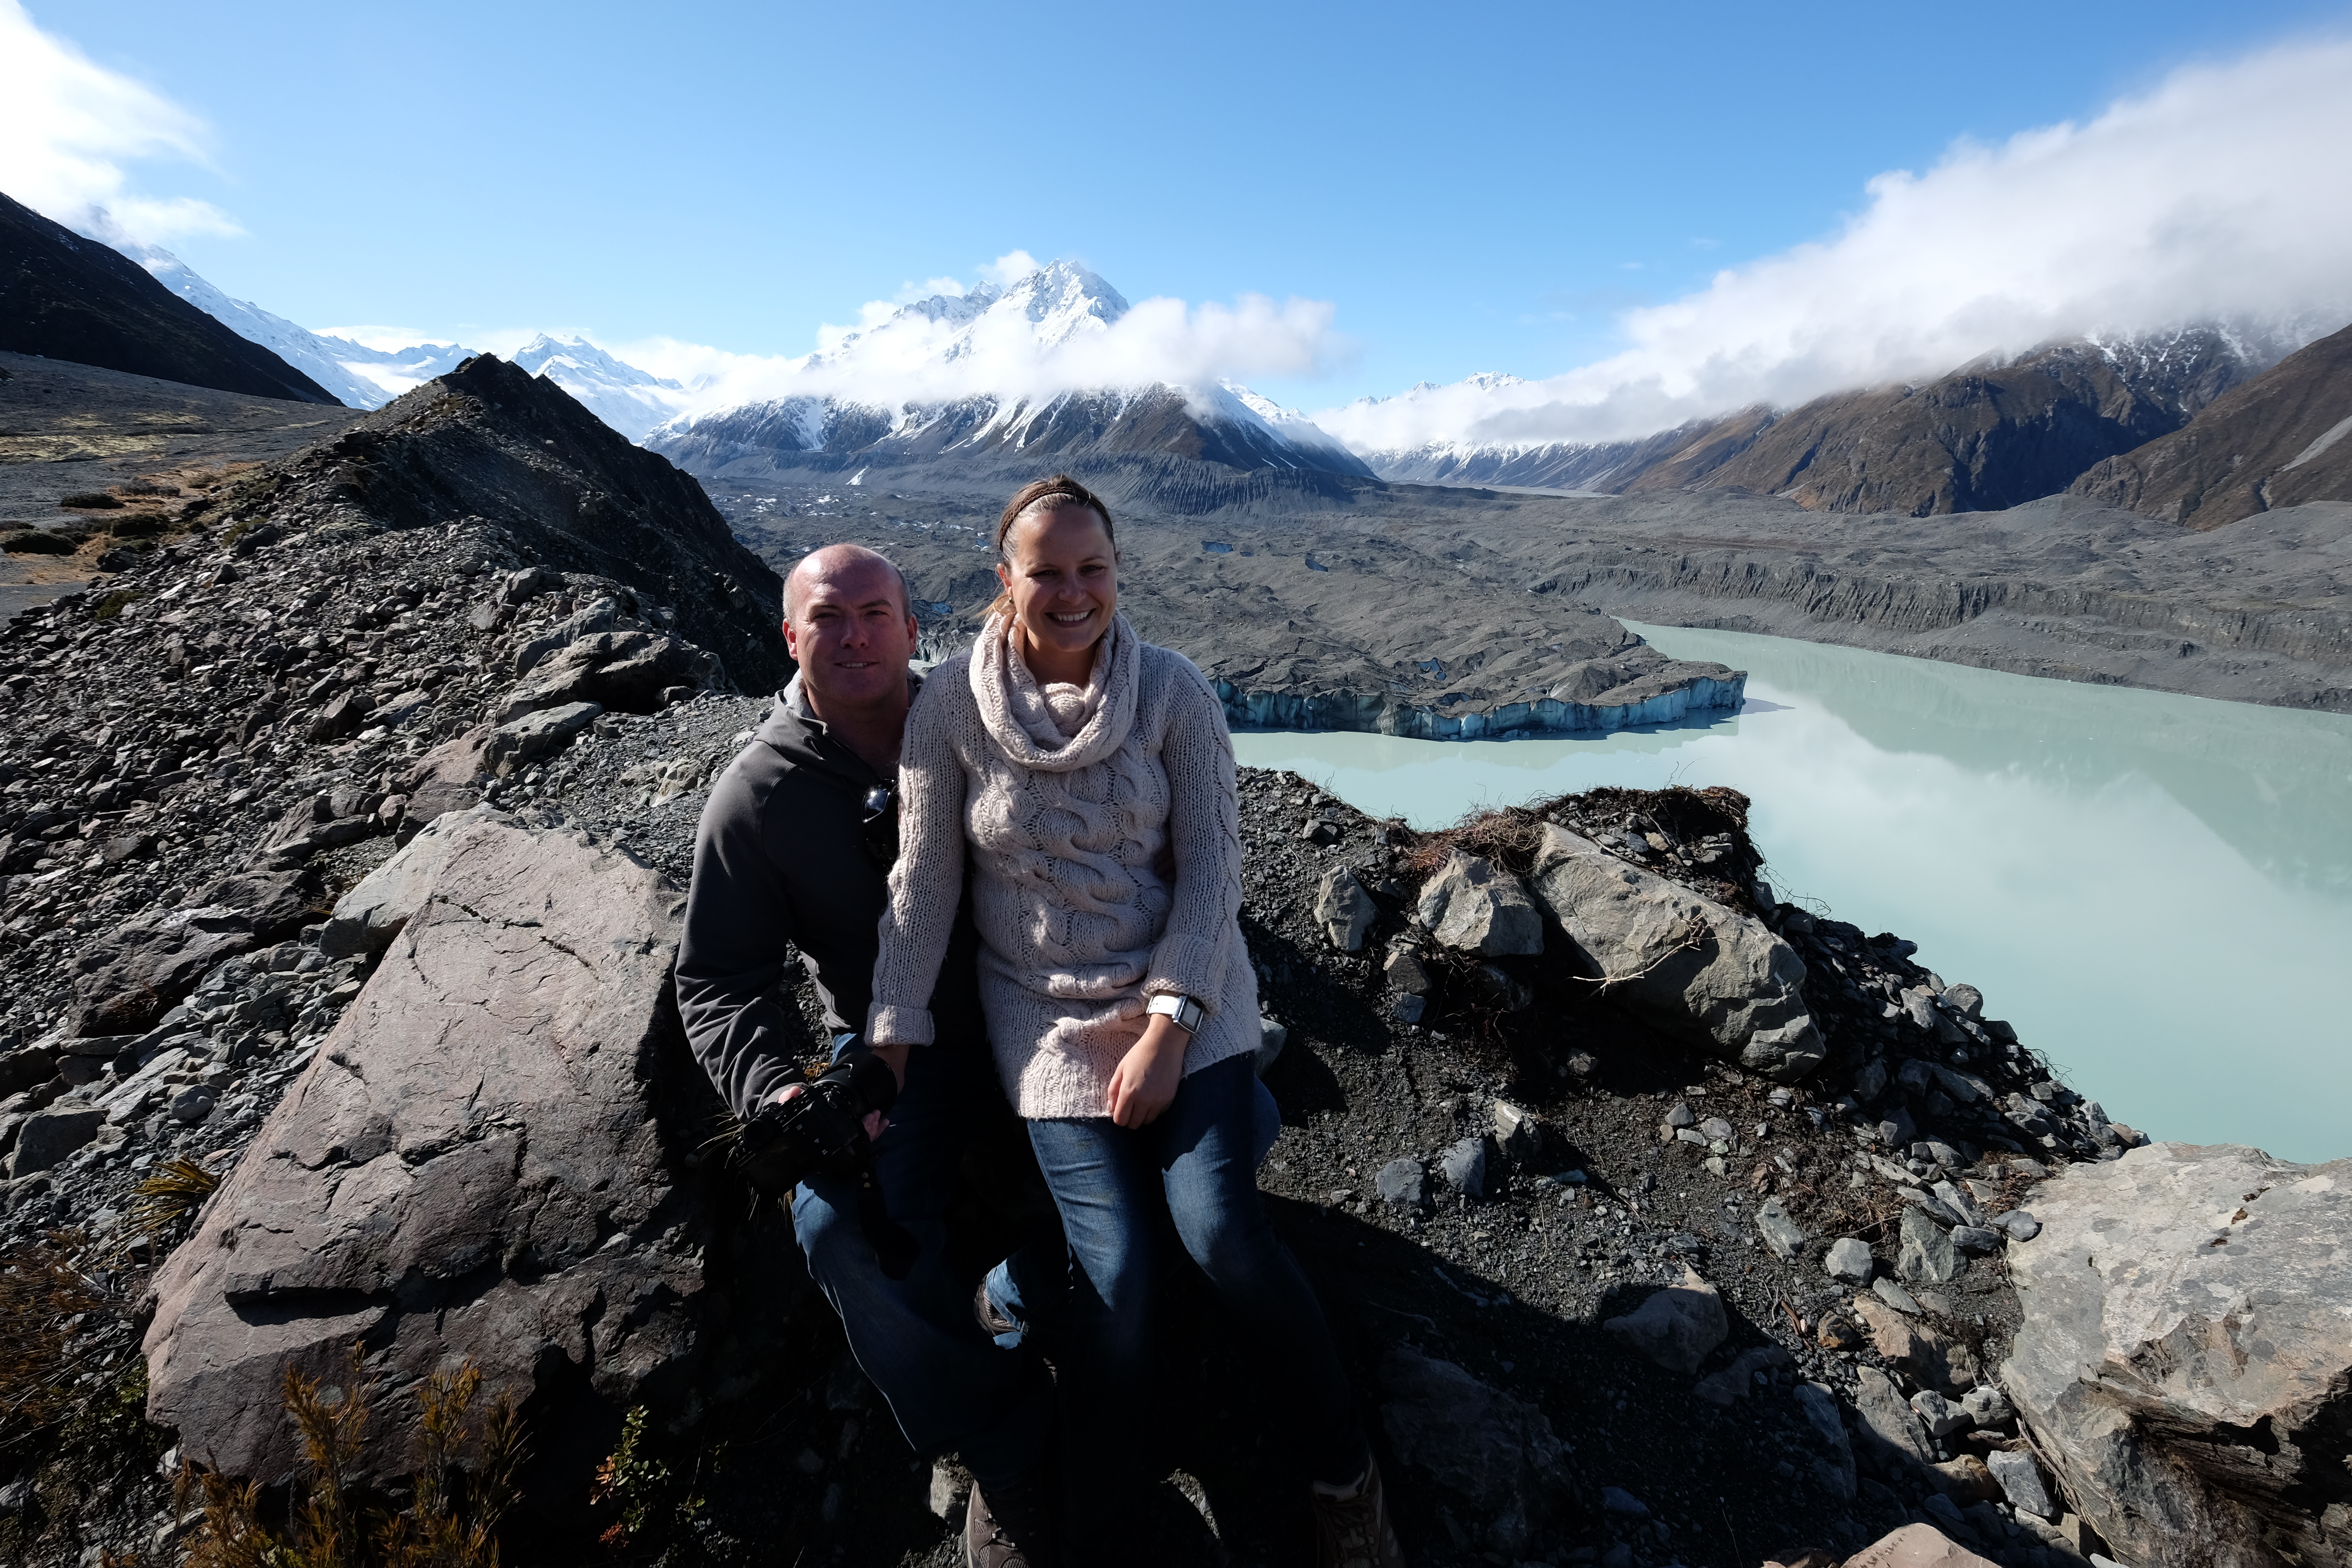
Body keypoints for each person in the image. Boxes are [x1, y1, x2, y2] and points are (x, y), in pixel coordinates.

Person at [866, 477, 1407, 1568]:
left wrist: (1167, 1027)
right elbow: (922, 885)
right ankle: (1101, 1525)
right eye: (1047, 571)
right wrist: (892, 1033)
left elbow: (1213, 875)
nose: (1073, 592)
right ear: (1004, 581)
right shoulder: (949, 710)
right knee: (1115, 1276)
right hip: (1047, 1021)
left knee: (1220, 1233)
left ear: (1118, 572)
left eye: (1092, 568)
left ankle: (1346, 1478)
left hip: (1189, 998)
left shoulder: (1174, 693)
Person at [675, 543, 1057, 1568]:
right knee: (834, 1227)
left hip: (1051, 1018)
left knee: (1184, 1171)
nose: (854, 636)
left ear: (911, 628)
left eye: (875, 613)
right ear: (790, 637)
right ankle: (1003, 1437)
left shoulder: (985, 725)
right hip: (900, 1055)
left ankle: (1023, 1294)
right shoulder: (758, 797)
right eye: (828, 619)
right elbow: (719, 975)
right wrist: (784, 1086)